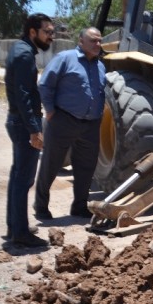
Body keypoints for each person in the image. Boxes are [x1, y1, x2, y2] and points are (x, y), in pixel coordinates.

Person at [34, 27, 106, 221]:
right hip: (63, 120)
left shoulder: (100, 65)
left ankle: (79, 207)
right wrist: (49, 110)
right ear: (81, 41)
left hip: (90, 125)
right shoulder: (65, 58)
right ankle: (40, 206)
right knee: (51, 164)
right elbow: (45, 84)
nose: (98, 44)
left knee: (86, 167)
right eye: (93, 40)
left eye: (100, 41)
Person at [4, 13, 54, 248]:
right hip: (24, 125)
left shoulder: (19, 50)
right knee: (23, 179)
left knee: (17, 177)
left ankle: (15, 226)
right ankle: (20, 234)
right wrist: (35, 130)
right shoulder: (24, 54)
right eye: (47, 32)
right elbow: (24, 95)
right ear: (33, 32)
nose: (51, 37)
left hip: (17, 121)